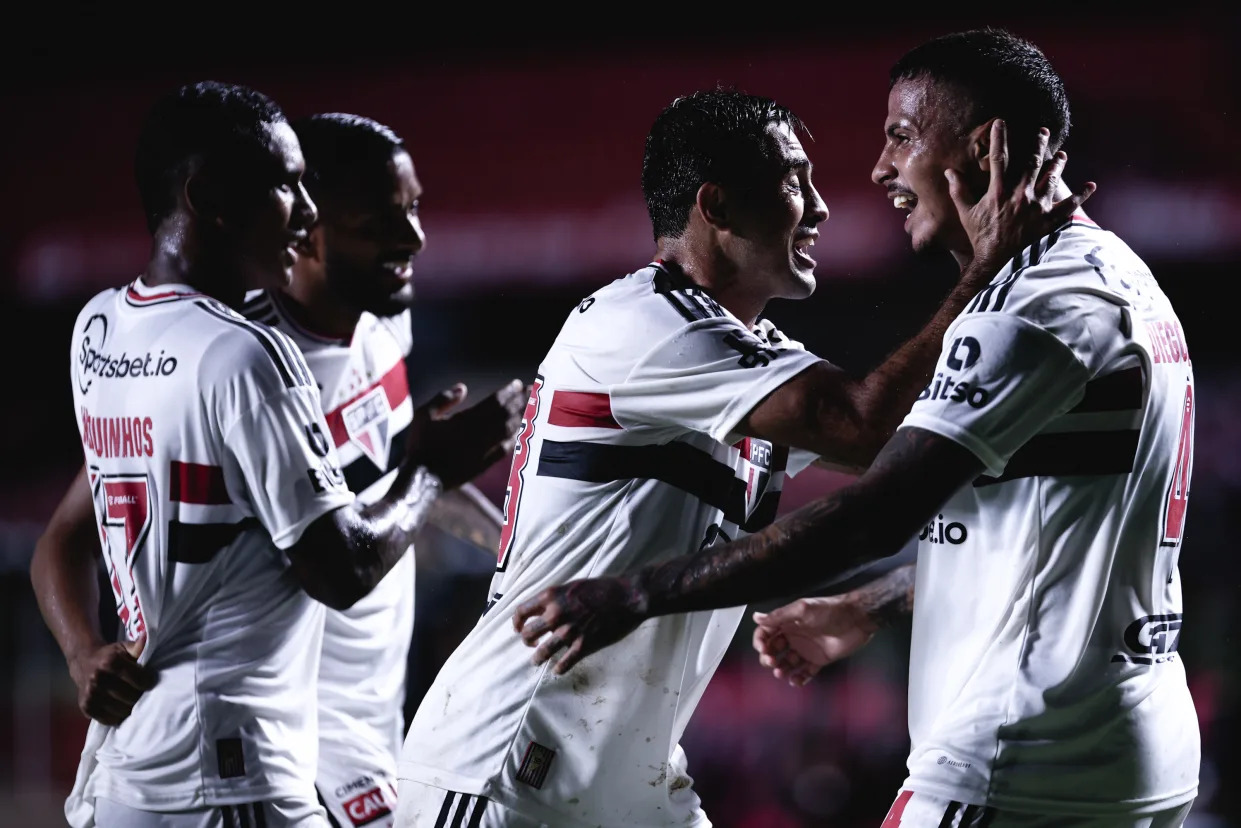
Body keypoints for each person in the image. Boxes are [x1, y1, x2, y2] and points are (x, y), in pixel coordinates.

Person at [513, 28, 1199, 827]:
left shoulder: (1028, 306)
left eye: (902, 138)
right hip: (1130, 745)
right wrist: (874, 603)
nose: (878, 169)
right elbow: (1055, 537)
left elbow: (874, 506)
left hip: (1016, 754)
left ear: (986, 146)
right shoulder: (1120, 276)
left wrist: (636, 592)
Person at [396, 87, 1088, 828]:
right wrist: (986, 270)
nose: (820, 207)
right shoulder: (644, 323)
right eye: (794, 182)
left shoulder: (741, 357)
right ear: (717, 206)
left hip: (629, 778)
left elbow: (901, 463)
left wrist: (880, 596)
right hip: (506, 767)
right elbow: (860, 425)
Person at [29, 83, 521, 828]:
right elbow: (341, 564)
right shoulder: (250, 361)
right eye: (378, 218)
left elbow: (381, 475)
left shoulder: (109, 326)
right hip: (264, 750)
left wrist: (515, 556)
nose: (413, 237)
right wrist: (433, 469)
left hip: (246, 741)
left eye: (413, 208)